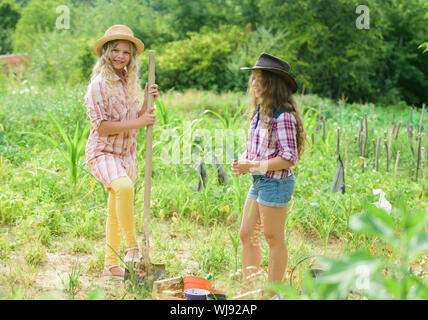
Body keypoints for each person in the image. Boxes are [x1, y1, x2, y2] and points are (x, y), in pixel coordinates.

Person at [84, 25, 158, 279]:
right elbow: (102, 127)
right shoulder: (98, 85)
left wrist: (148, 99)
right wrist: (139, 122)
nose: (120, 56)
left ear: (131, 57)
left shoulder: (129, 83)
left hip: (126, 154)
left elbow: (137, 118)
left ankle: (110, 265)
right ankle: (132, 246)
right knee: (124, 187)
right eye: (115, 50)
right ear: (106, 52)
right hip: (103, 152)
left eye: (126, 52)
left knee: (117, 206)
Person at [231, 52, 306, 297]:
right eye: (252, 79)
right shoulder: (259, 113)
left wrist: (251, 165)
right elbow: (255, 147)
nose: (253, 84)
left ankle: (274, 293)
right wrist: (243, 160)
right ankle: (251, 287)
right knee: (246, 233)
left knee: (273, 236)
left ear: (272, 84)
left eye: (258, 79)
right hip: (260, 180)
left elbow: (288, 158)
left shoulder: (283, 117)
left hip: (276, 183)